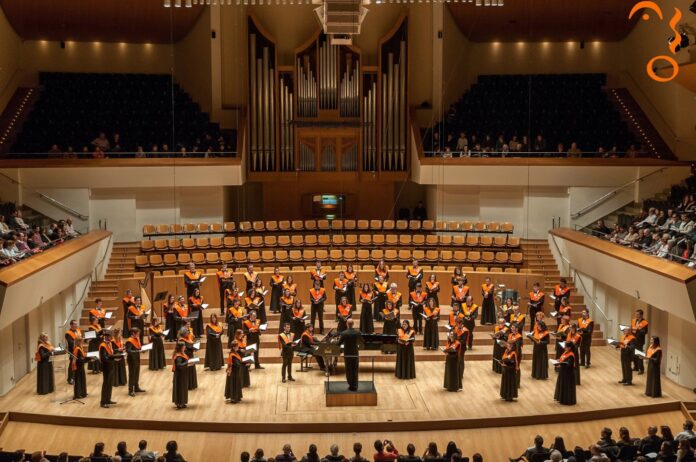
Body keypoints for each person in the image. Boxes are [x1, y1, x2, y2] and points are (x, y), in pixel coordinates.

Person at [339, 319, 361, 391]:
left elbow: (338, 343)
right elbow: (362, 341)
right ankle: (355, 385)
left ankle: (350, 384)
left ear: (347, 324)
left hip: (347, 353)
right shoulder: (357, 332)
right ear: (353, 324)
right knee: (355, 369)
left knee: (348, 369)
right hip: (355, 353)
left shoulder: (344, 333)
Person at [125, 327, 147, 396]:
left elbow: (138, 347)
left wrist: (143, 349)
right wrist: (138, 351)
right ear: (133, 333)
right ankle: (130, 390)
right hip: (131, 359)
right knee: (132, 374)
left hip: (137, 358)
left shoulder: (136, 339)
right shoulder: (129, 341)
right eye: (137, 333)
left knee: (137, 373)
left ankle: (136, 387)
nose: (139, 335)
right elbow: (128, 351)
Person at [99, 331, 117, 408]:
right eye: (110, 336)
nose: (112, 337)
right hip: (106, 367)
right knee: (106, 384)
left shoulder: (109, 343)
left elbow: (111, 354)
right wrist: (114, 359)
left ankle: (108, 399)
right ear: (106, 337)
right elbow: (104, 358)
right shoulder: (103, 345)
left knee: (110, 383)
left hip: (111, 365)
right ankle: (103, 402)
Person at [171, 342, 189, 410]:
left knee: (183, 388)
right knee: (180, 388)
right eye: (184, 346)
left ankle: (182, 402)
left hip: (183, 374)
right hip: (179, 376)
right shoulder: (178, 356)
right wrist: (187, 363)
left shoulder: (182, 354)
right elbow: (179, 365)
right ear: (181, 347)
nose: (185, 347)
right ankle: (179, 403)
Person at [632, 309, 649, 374]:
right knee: (634, 354)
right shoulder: (634, 320)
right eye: (636, 314)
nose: (636, 315)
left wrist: (638, 330)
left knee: (639, 355)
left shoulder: (644, 322)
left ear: (641, 315)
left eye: (638, 314)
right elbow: (633, 328)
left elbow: (645, 331)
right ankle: (636, 367)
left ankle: (641, 369)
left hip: (639, 341)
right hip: (633, 340)